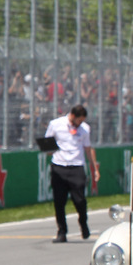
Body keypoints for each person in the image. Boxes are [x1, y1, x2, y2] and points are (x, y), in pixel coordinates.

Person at [45, 103, 99, 242]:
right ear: (73, 116)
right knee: (59, 201)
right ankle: (62, 231)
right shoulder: (56, 124)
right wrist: (48, 149)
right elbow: (48, 143)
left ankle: (83, 224)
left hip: (76, 166)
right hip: (59, 165)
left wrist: (95, 168)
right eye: (79, 120)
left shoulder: (85, 129)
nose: (80, 124)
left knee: (80, 200)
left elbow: (88, 148)